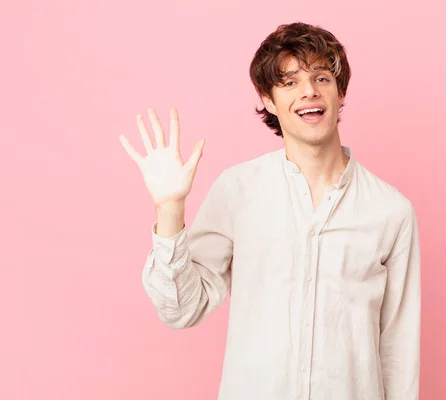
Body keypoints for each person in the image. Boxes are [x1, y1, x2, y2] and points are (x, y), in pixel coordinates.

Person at [119, 22, 421, 400]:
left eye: (321, 77)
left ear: (340, 91)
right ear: (267, 98)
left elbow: (398, 350)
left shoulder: (391, 211)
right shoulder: (237, 191)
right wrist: (169, 209)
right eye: (289, 82)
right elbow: (182, 309)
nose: (308, 91)